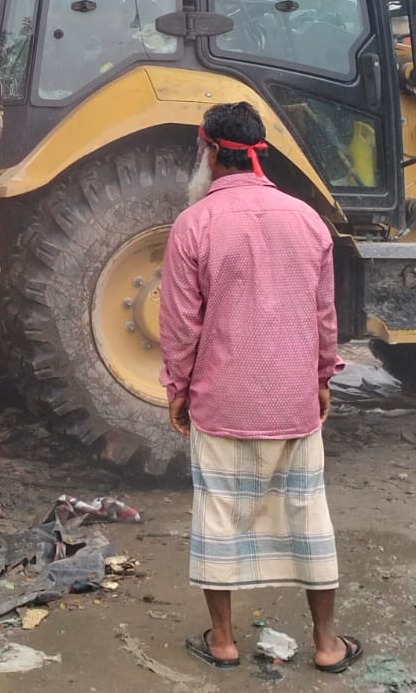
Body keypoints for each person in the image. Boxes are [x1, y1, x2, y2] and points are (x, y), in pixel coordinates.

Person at [158, 102, 361, 674]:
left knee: (218, 519)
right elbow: (325, 318)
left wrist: (178, 389)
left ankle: (223, 642)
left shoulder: (193, 224)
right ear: (258, 153)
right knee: (307, 518)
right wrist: (322, 378)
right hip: (293, 403)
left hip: (220, 402)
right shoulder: (307, 220)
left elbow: (179, 325)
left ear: (207, 150)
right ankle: (326, 644)